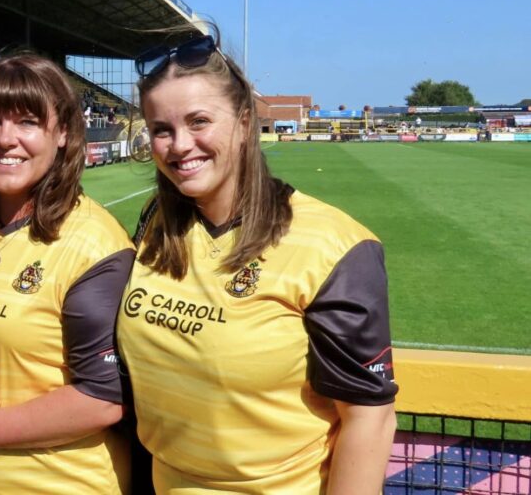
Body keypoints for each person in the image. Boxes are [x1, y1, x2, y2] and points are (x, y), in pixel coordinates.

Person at [117, 25, 397, 494]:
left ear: (246, 121)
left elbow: (370, 419)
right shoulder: (156, 226)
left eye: (199, 121)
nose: (179, 145)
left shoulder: (334, 244)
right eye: (162, 130)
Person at [0, 55, 134, 493]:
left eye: (28, 122)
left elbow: (103, 399)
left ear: (63, 134)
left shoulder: (95, 246)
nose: (5, 140)